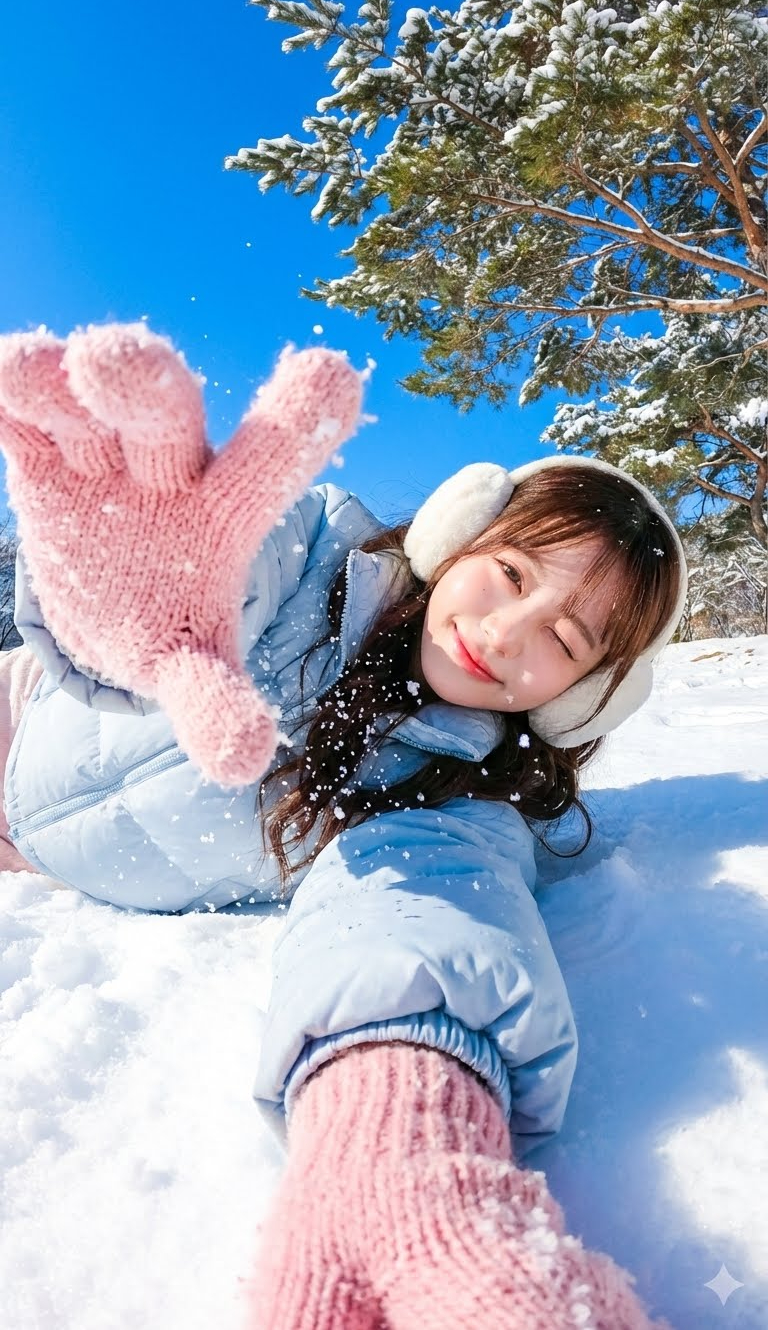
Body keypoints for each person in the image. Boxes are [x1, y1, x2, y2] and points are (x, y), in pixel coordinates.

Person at [0, 323, 684, 1330]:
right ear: (459, 535)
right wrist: (139, 612)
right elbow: (217, 576)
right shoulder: (309, 552)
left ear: (584, 701)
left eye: (565, 640)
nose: (505, 634)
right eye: (510, 575)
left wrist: (400, 1146)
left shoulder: (461, 799)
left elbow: (418, 925)